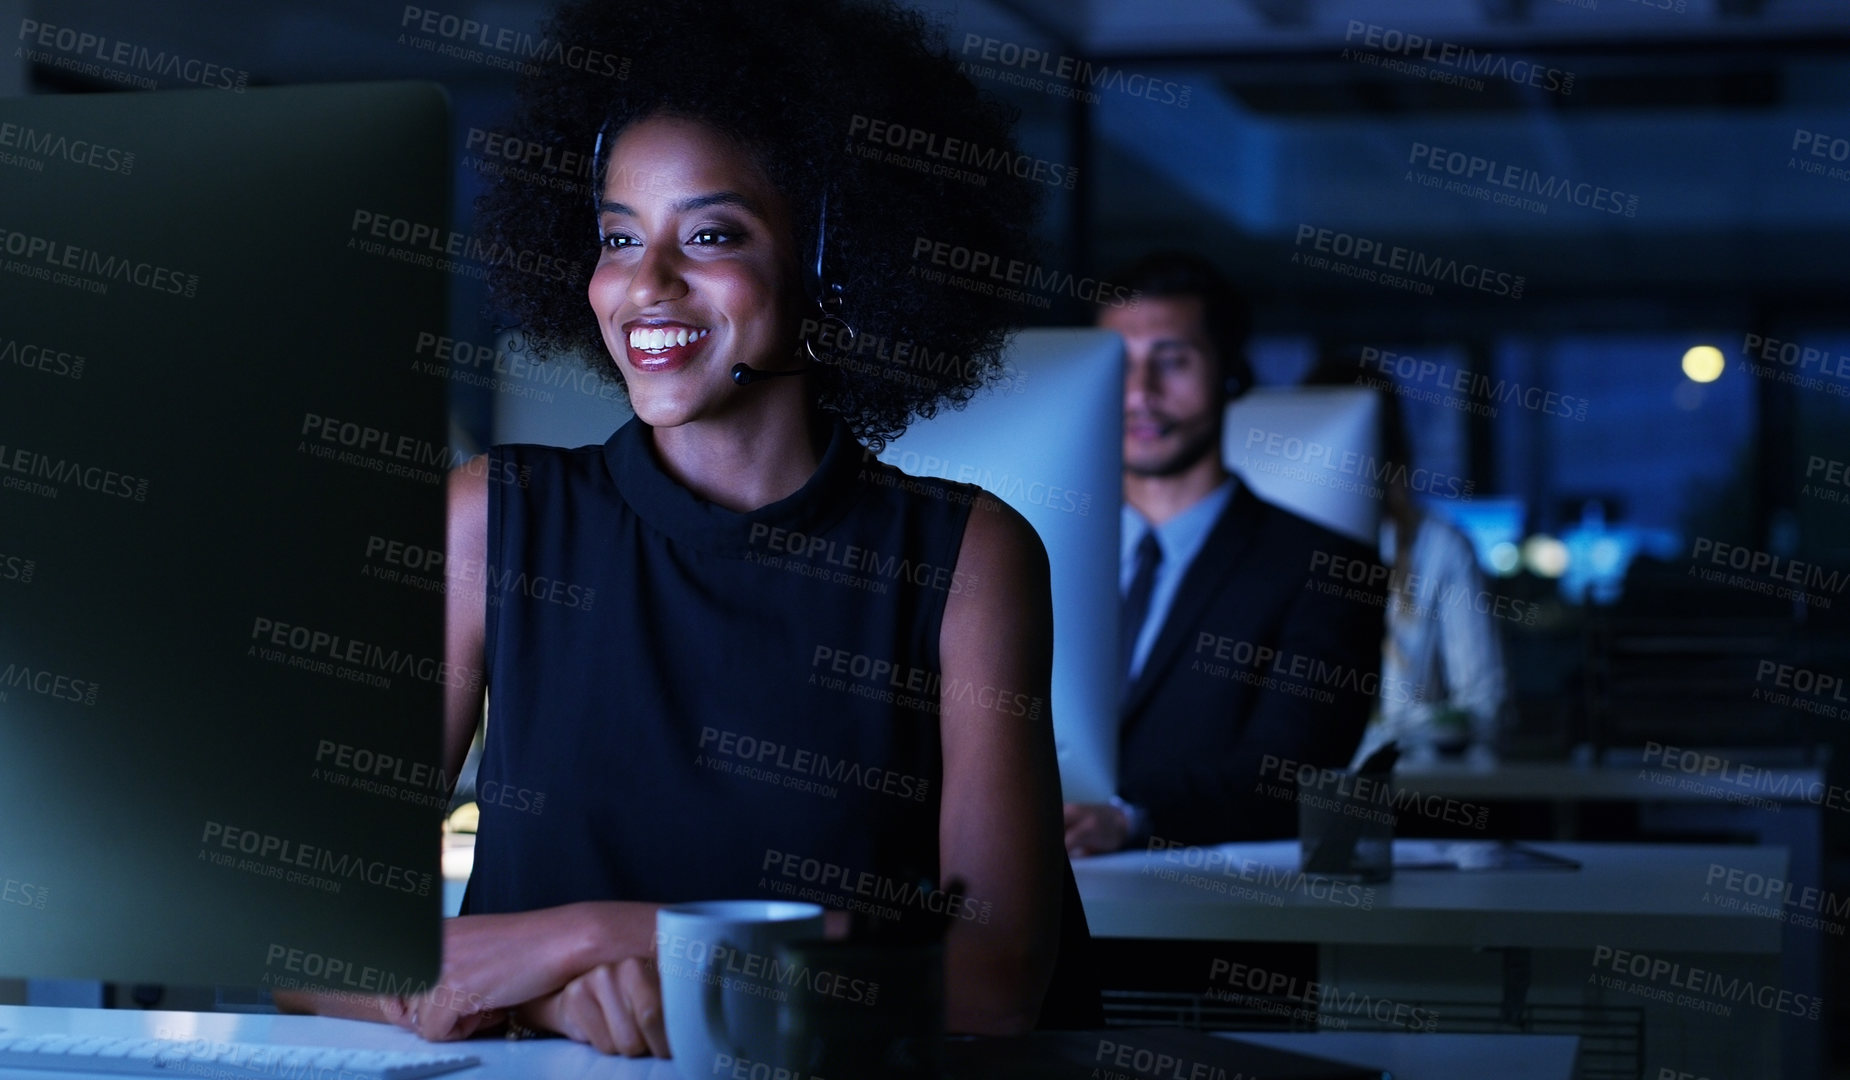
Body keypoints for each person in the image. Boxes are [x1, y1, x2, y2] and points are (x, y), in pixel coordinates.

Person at [276, 0, 1097, 1052]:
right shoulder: (492, 521)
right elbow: (296, 933)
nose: (644, 284)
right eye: (618, 237)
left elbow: (991, 987)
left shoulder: (967, 557)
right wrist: (545, 994)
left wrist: (596, 937)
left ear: (831, 263)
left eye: (709, 234)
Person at [1063, 253, 1387, 855]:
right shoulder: (1044, 551)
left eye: (1173, 361)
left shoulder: (1327, 569)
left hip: (1205, 914)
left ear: (1231, 375)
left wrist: (1129, 817)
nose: (1140, 394)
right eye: (1120, 366)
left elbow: (1291, 771)